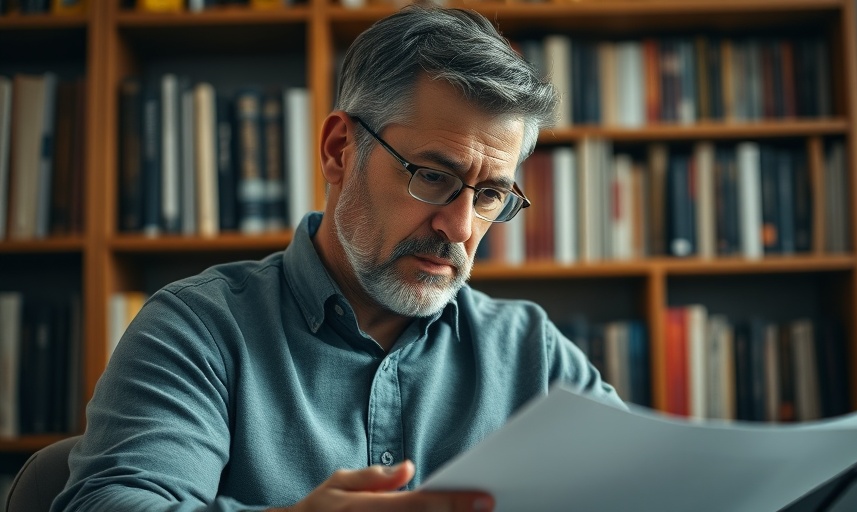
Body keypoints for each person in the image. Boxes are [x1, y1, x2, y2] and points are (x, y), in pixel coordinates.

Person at [53, 5, 624, 511]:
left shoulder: (531, 352)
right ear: (339, 151)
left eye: (491, 195)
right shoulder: (199, 329)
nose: (459, 225)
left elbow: (642, 486)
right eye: (432, 176)